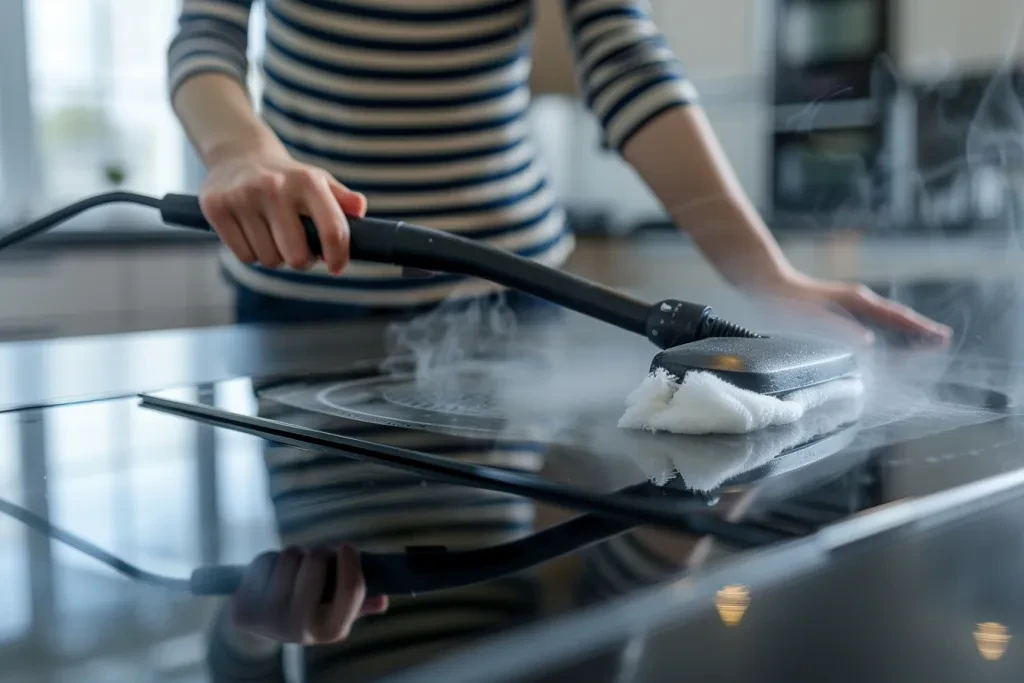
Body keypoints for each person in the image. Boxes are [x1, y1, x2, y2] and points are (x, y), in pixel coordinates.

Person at [167, 1, 953, 680]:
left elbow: (622, 51)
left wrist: (767, 277)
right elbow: (205, 30)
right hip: (303, 288)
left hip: (511, 292)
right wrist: (241, 151)